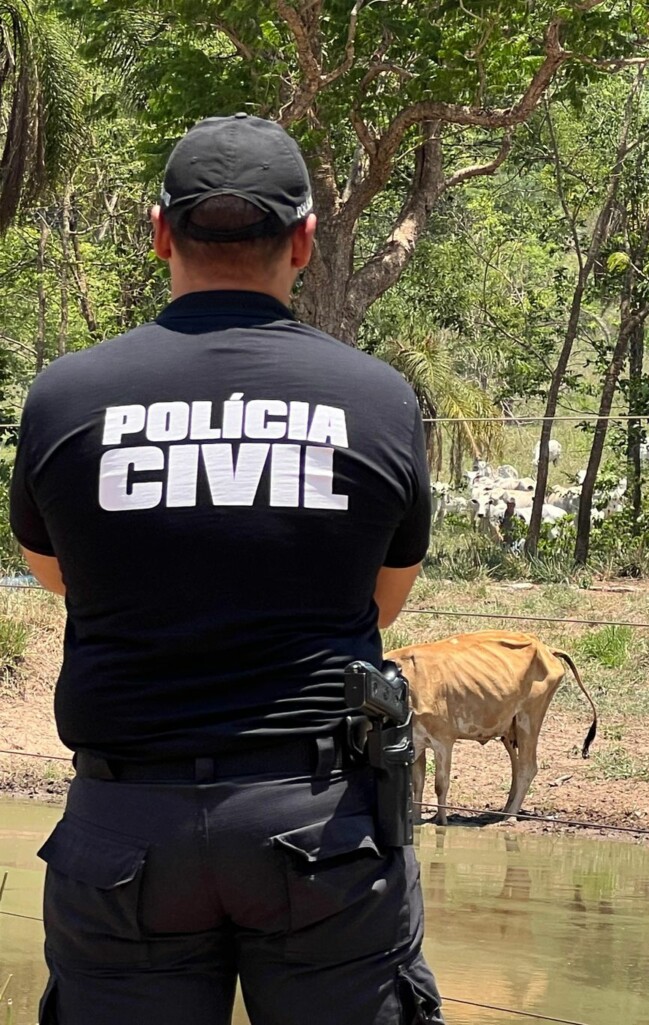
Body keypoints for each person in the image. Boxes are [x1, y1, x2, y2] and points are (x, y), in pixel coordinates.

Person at [9, 113, 444, 1025]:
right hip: (323, 833)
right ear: (306, 241)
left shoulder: (64, 398)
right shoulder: (378, 399)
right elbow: (385, 600)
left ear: (161, 231)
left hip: (125, 831)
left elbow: (55, 574)